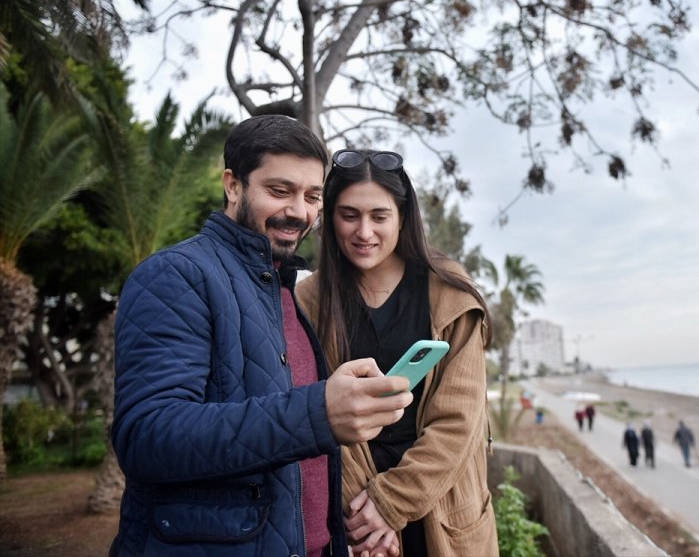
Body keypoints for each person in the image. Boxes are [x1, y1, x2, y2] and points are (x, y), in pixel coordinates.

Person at [110, 116, 414, 557]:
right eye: (279, 190)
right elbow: (147, 437)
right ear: (233, 185)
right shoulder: (175, 276)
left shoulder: (285, 291)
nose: (299, 211)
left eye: (312, 196)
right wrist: (319, 413)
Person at [296, 148, 499, 557]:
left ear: (402, 218)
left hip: (442, 505)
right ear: (330, 218)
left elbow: (459, 419)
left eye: (379, 216)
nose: (364, 231)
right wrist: (367, 515)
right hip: (355, 516)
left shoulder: (449, 291)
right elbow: (313, 410)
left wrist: (392, 503)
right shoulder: (309, 300)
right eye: (349, 215)